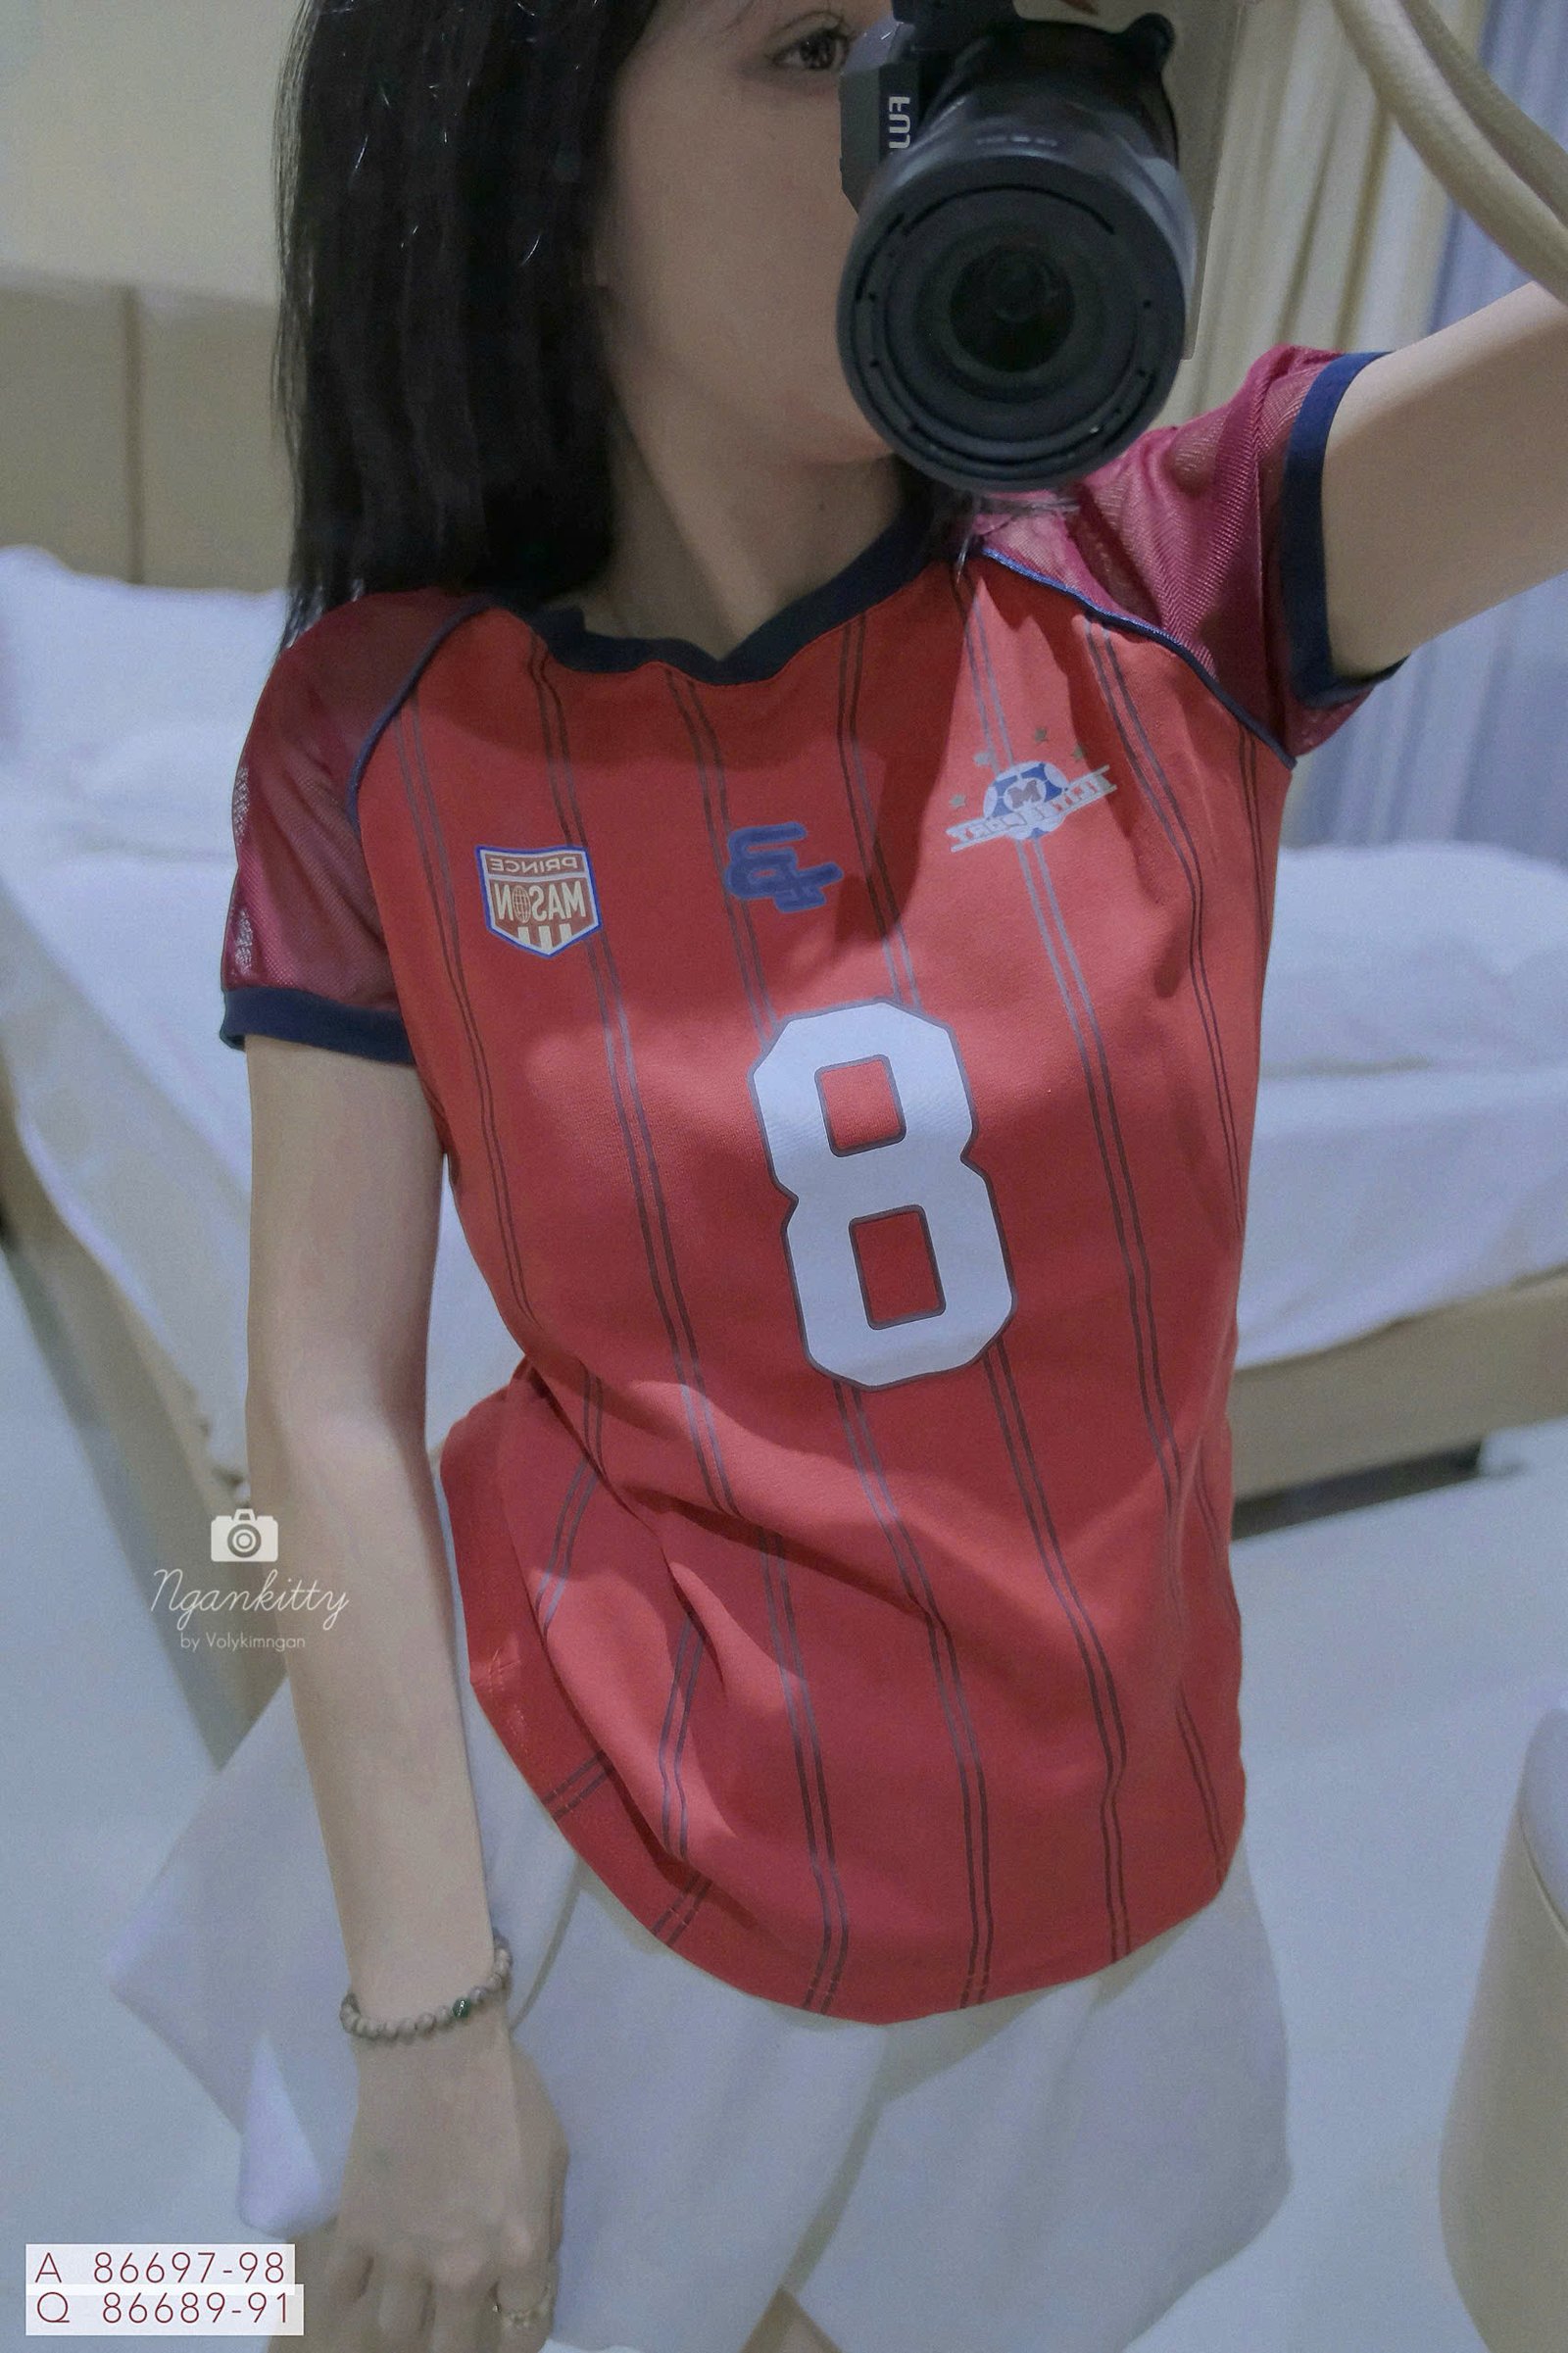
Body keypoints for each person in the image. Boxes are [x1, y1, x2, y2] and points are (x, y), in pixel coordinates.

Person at [105, 0, 1412, 2348]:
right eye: (813, 45)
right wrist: (426, 2029)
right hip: (575, 1839)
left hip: (1082, 1880)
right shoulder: (376, 735)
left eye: (947, 34)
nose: (914, 122)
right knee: (207, 2302)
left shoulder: (1181, 568)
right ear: (545, 168)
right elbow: (319, 1389)